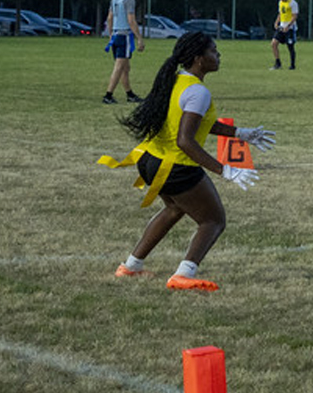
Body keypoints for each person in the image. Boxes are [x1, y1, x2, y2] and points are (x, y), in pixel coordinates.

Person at [113, 32, 276, 291]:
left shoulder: (176, 79)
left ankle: (130, 266)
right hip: (174, 165)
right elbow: (185, 140)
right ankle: (184, 273)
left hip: (149, 159)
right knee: (213, 220)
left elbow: (194, 123)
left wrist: (240, 133)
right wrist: (226, 171)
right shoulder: (198, 91)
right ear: (199, 59)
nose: (218, 55)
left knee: (175, 209)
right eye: (213, 51)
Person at [104, 0, 144, 104]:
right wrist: (139, 38)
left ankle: (130, 94)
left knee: (125, 68)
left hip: (116, 35)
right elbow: (131, 21)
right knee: (119, 67)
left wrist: (111, 34)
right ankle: (108, 96)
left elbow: (109, 18)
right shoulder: (129, 0)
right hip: (124, 36)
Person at [271, 0, 299, 70]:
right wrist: (276, 22)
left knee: (290, 46)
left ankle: (292, 65)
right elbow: (280, 13)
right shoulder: (280, 2)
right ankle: (278, 63)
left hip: (290, 28)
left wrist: (288, 26)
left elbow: (294, 16)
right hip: (281, 27)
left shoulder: (293, 3)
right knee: (274, 43)